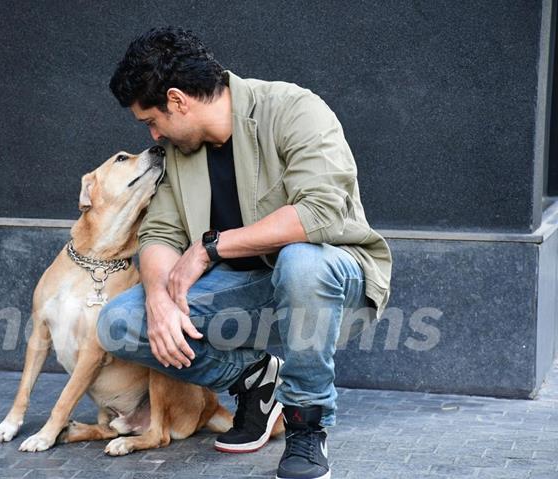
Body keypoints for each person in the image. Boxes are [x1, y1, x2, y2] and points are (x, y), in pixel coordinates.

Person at [97, 26, 392, 479]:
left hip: (332, 276)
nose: (153, 134)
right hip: (244, 288)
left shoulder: (294, 109)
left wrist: (210, 248)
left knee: (301, 262)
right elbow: (158, 232)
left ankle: (306, 426)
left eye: (152, 120)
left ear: (177, 100)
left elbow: (319, 214)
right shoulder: (180, 150)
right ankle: (253, 378)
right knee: (120, 323)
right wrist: (158, 298)